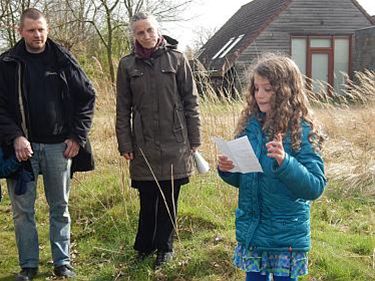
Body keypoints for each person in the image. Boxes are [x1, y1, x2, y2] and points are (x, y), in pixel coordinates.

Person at [0, 8, 95, 281]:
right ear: (21, 31)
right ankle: (28, 266)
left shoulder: (63, 59)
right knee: (22, 211)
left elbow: (87, 97)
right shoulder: (7, 63)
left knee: (60, 207)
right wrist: (15, 136)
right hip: (20, 150)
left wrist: (77, 136)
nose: (37, 35)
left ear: (47, 29)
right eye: (31, 30)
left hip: (59, 148)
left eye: (41, 29)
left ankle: (62, 263)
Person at [217, 54, 327, 281]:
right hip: (254, 230)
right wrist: (229, 169)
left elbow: (315, 187)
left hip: (285, 236)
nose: (260, 95)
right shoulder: (250, 126)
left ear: (286, 90)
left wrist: (285, 162)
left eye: (267, 89)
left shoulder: (303, 130)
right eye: (256, 88)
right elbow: (247, 178)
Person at [116, 12, 200, 269]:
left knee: (170, 196)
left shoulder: (177, 59)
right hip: (143, 143)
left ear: (158, 30)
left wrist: (194, 140)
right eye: (140, 32)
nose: (147, 36)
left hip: (176, 141)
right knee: (147, 196)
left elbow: (191, 101)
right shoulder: (127, 65)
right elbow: (122, 108)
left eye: (150, 30)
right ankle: (144, 246)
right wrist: (125, 143)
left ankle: (165, 248)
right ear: (134, 35)